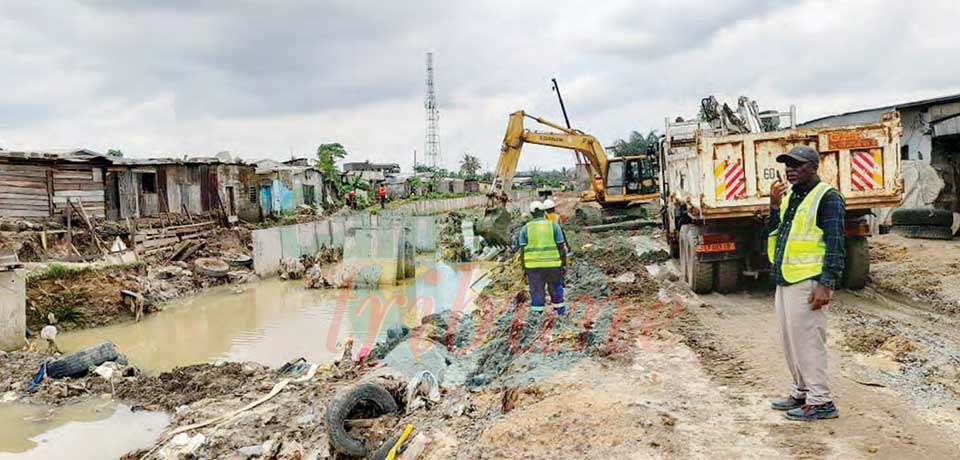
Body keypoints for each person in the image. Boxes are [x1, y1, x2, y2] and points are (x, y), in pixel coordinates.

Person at [767, 145, 845, 421]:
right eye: (787, 165)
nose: (790, 170)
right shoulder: (791, 197)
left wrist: (826, 283)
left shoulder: (828, 197)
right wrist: (774, 206)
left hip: (809, 281)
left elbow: (835, 244)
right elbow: (776, 232)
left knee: (809, 342)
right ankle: (801, 391)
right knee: (792, 342)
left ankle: (821, 400)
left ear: (814, 167)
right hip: (786, 277)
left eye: (797, 165)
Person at [519, 201, 568, 316]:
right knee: (556, 289)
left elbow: (522, 251)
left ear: (531, 213)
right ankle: (560, 315)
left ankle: (537, 318)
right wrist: (564, 264)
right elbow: (561, 248)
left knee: (536, 292)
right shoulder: (553, 226)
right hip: (553, 266)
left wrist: (523, 268)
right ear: (543, 212)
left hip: (533, 267)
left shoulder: (525, 229)